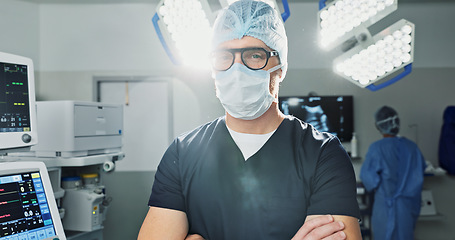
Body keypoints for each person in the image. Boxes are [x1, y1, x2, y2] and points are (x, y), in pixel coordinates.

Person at [138, 1, 361, 239]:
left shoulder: (323, 154)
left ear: (281, 67)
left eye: (254, 55)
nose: (237, 69)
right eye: (224, 55)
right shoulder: (182, 153)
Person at [360, 106, 426, 240]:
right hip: (408, 209)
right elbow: (419, 173)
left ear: (378, 125)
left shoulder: (377, 148)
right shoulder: (412, 147)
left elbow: (369, 181)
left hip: (385, 208)